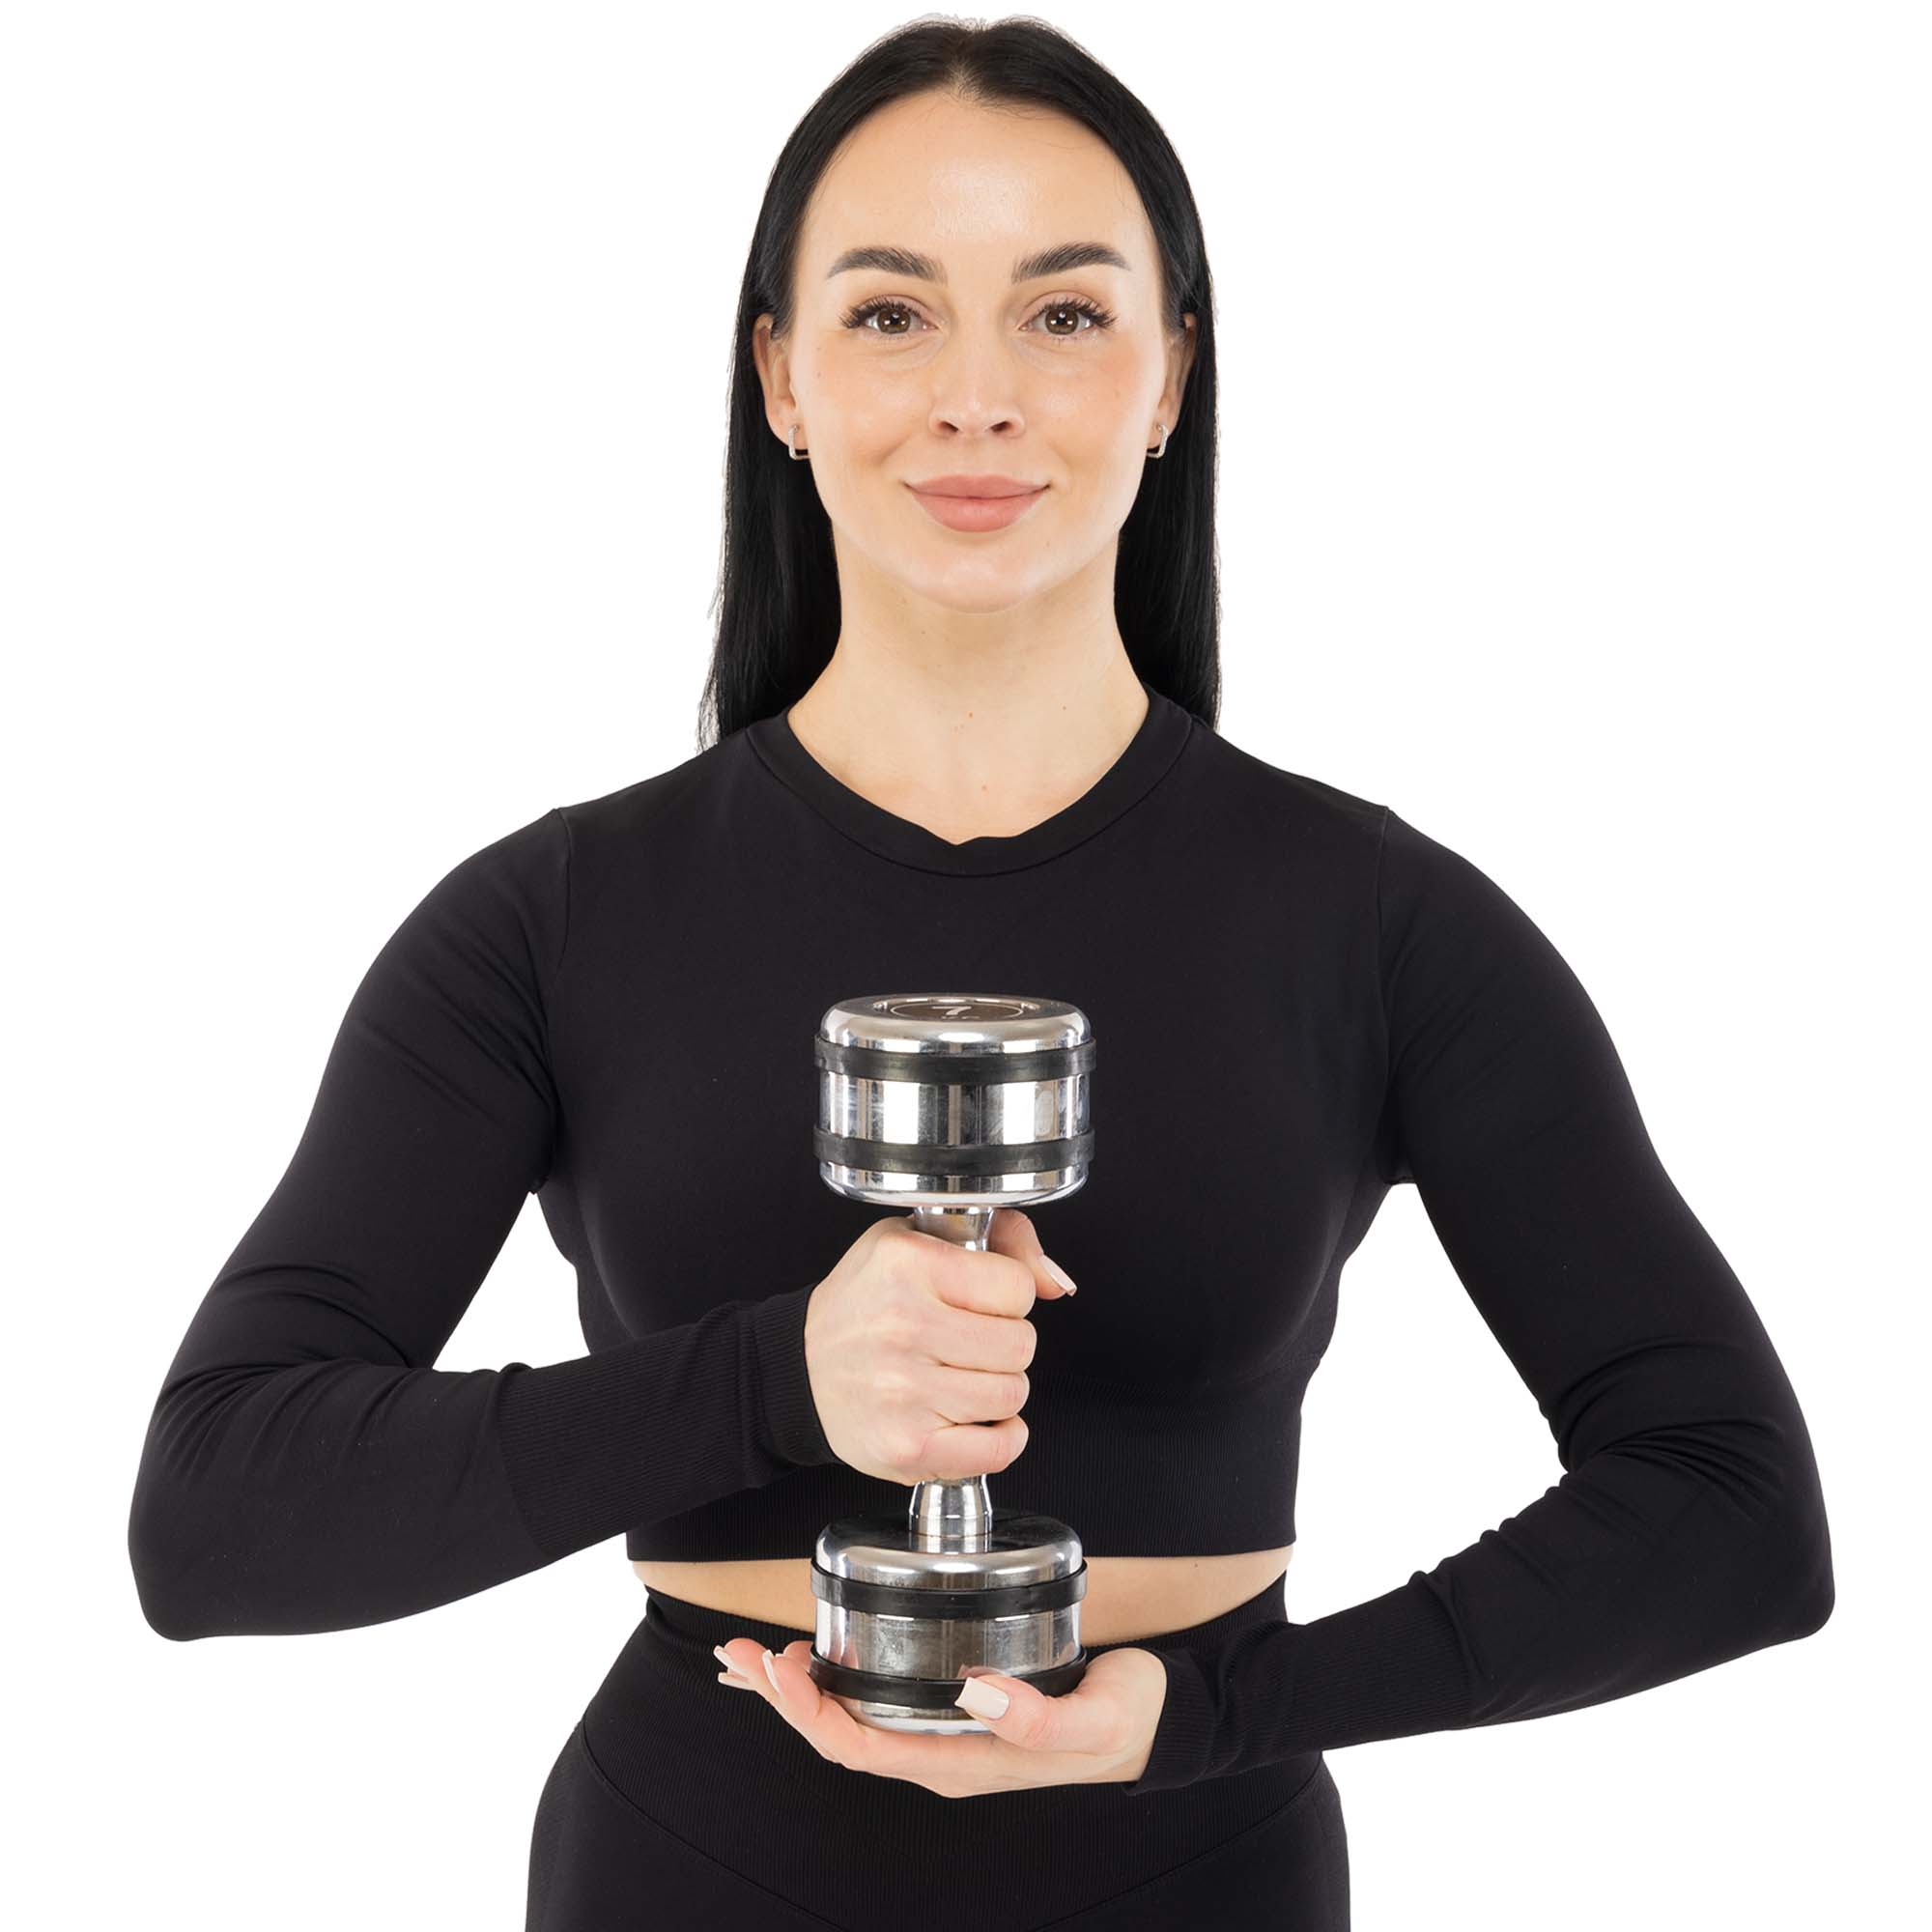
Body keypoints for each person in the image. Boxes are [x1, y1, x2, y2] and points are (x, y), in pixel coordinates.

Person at [127, 20, 1833, 1931]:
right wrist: (777, 1378)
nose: (975, 400)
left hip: (1206, 1874)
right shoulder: (548, 921)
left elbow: (1731, 1506)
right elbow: (215, 1514)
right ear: (777, 377)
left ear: (1174, 374)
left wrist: (1223, 1715)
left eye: (1064, 315)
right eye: (889, 315)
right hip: (688, 1871)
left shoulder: (1379, 922)